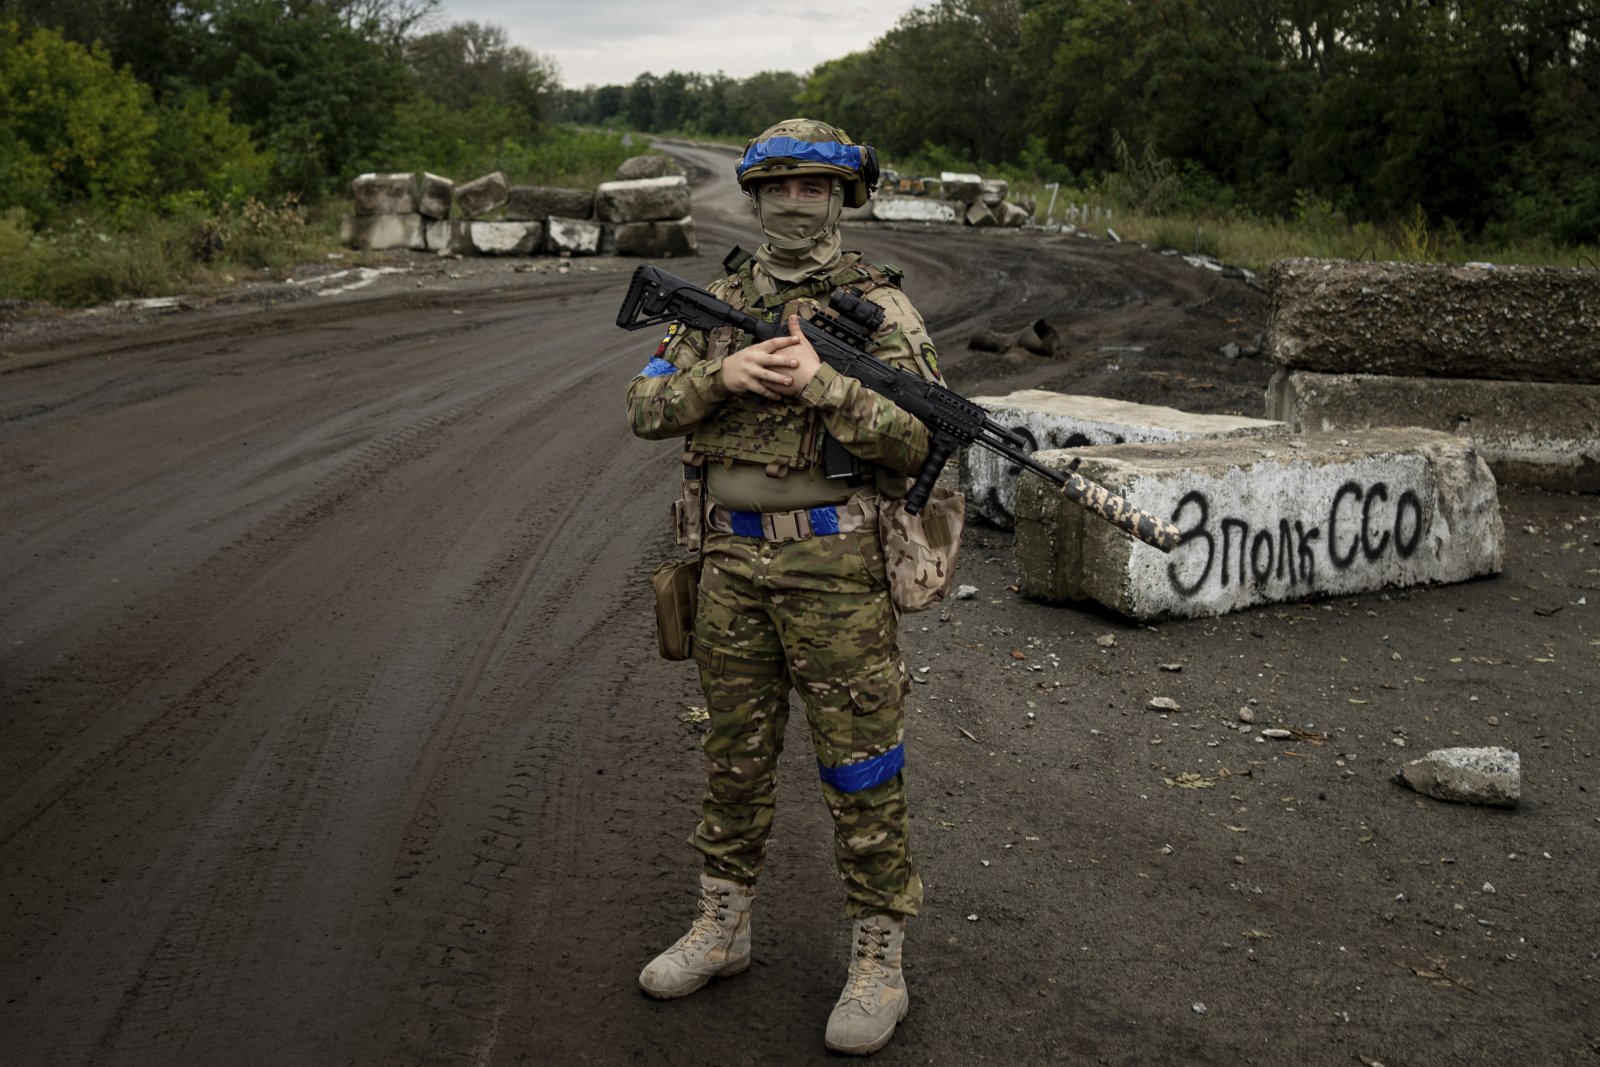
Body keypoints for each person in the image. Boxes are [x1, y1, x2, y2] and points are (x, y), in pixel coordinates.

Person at [625, 118, 945, 1056]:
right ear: (755, 195)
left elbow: (925, 441)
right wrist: (720, 373)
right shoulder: (714, 301)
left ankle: (880, 957)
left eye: (816, 188)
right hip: (728, 563)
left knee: (861, 767)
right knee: (734, 756)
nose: (796, 204)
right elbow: (643, 407)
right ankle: (722, 925)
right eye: (779, 188)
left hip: (836, 567)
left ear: (844, 199)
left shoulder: (883, 313)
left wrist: (826, 386)